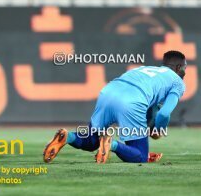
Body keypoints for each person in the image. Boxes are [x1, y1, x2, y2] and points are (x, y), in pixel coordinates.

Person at [43, 50, 186, 164]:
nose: (184, 72)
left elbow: (152, 107)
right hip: (132, 100)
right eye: (184, 68)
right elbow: (164, 114)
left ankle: (68, 137)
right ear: (179, 67)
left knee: (91, 140)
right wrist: (159, 129)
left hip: (108, 92)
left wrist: (150, 124)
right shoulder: (177, 82)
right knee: (141, 156)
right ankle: (111, 144)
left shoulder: (144, 68)